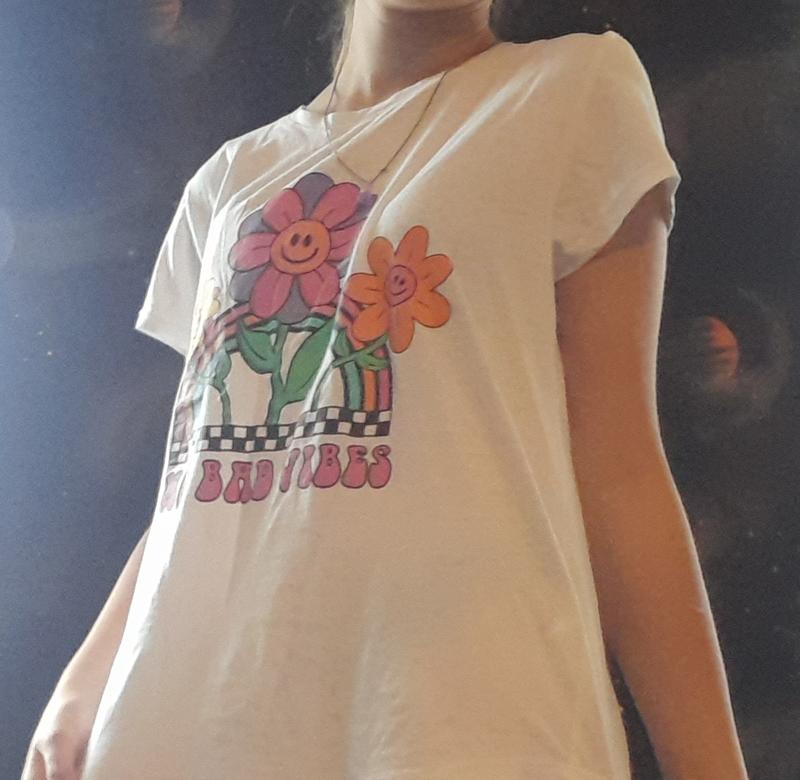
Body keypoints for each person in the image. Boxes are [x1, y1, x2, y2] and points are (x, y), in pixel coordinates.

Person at [22, 1, 750, 778]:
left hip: (461, 718)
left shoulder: (572, 88)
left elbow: (620, 467)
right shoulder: (229, 178)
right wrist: (87, 678)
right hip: (189, 723)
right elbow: (209, 474)